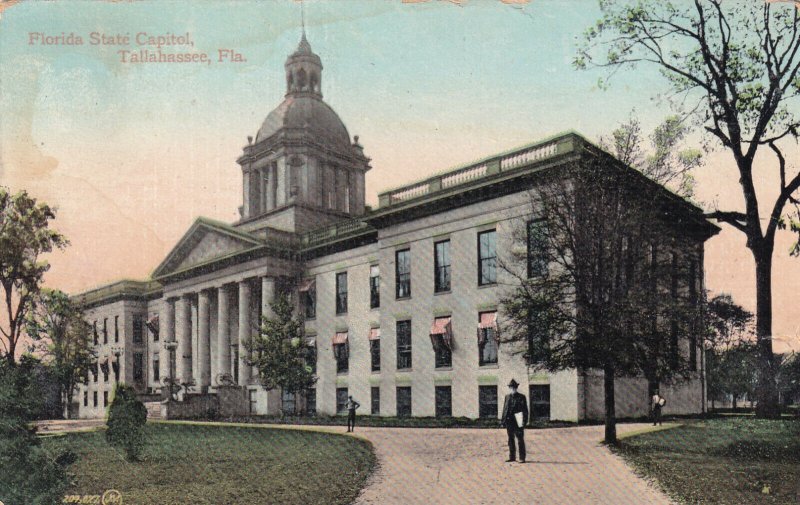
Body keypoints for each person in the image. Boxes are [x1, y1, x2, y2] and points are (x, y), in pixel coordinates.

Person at [500, 379, 529, 463]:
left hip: (519, 418)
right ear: (509, 388)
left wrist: (524, 421)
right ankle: (512, 457)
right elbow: (505, 409)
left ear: (517, 387)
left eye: (514, 387)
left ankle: (522, 458)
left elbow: (525, 410)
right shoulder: (507, 397)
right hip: (509, 420)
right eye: (511, 387)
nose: (513, 388)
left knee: (520, 439)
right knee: (510, 439)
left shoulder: (521, 397)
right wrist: (503, 420)